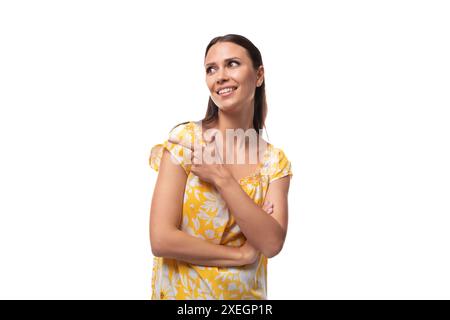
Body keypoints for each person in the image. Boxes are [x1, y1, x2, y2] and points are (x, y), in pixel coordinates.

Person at [148, 34, 293, 300]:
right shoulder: (187, 143)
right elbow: (161, 239)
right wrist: (241, 255)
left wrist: (222, 178)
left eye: (233, 64)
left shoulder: (275, 162)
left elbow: (272, 243)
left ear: (259, 75)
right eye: (211, 69)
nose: (220, 76)